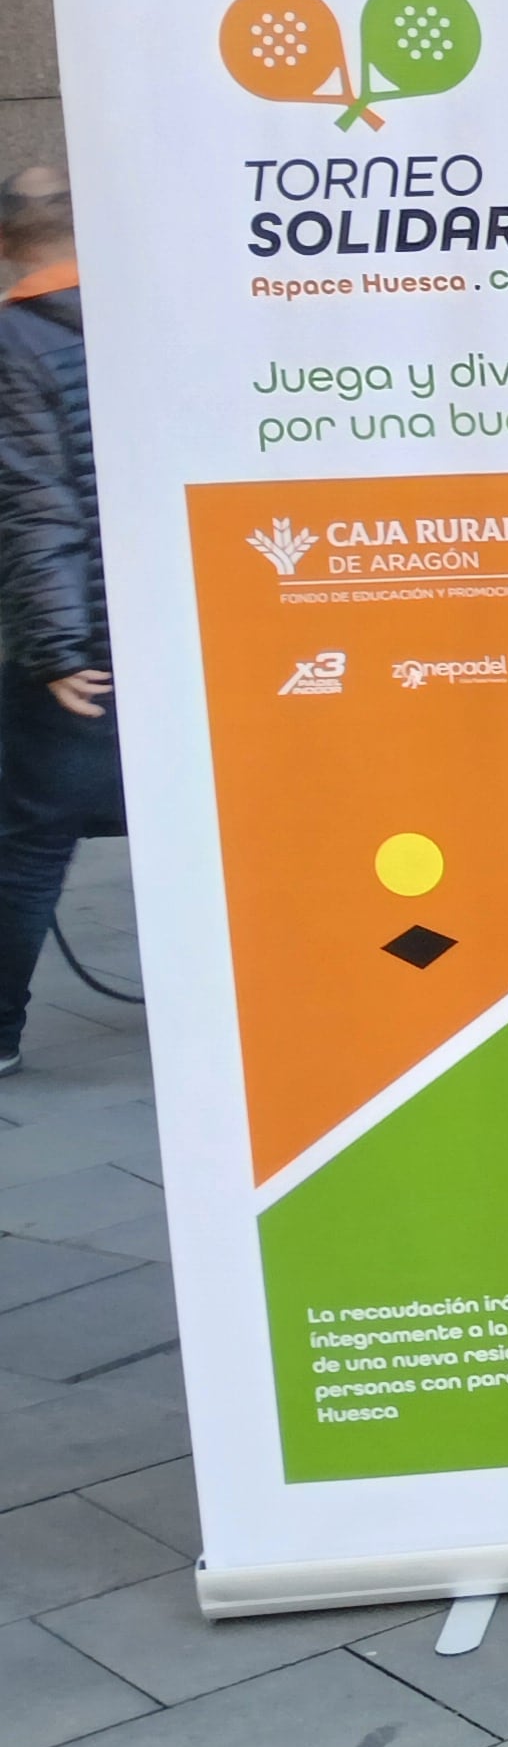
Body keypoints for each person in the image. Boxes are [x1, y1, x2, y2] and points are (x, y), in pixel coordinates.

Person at [0, 166, 116, 1079]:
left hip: (82, 647)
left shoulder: (9, 341)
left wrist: (55, 650)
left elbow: (38, 507)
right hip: (169, 625)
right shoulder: (151, 321)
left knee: (33, 841)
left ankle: (0, 1032)